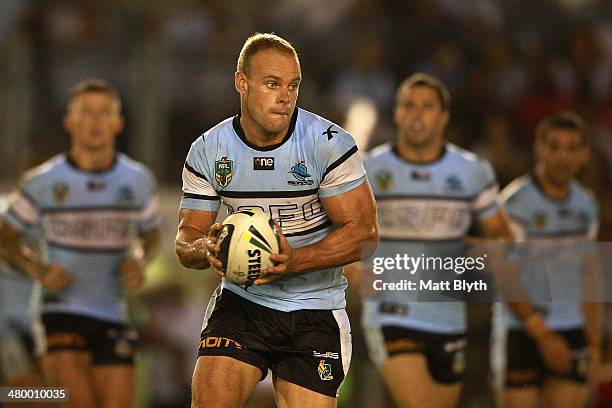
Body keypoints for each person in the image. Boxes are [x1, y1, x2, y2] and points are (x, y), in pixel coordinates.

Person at [175, 33, 379, 408]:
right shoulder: (209, 149)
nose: (285, 96)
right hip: (243, 305)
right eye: (272, 84)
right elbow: (187, 237)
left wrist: (295, 261)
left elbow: (364, 233)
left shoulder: (328, 144)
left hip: (315, 309)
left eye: (293, 85)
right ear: (242, 83)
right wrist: (205, 247)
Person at [0, 79, 161, 408]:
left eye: (104, 112)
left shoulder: (137, 180)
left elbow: (151, 234)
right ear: (70, 122)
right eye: (86, 112)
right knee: (39, 396)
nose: (95, 120)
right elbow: (5, 241)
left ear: (118, 123)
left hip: (112, 313)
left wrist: (140, 260)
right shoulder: (39, 186)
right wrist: (38, 269)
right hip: (45, 316)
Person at [360, 73, 513, 408]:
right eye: (408, 106)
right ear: (397, 113)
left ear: (443, 117)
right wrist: (354, 268)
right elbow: (344, 227)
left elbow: (500, 235)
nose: (417, 114)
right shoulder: (368, 169)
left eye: (427, 107)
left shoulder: (472, 171)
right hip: (390, 309)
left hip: (447, 313)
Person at [491, 112, 601, 408]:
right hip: (522, 331)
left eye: (571, 148)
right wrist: (542, 333)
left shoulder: (586, 204)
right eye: (554, 147)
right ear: (539, 149)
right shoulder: (515, 203)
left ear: (584, 154)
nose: (562, 157)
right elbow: (504, 276)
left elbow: (589, 276)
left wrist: (594, 343)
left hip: (571, 329)